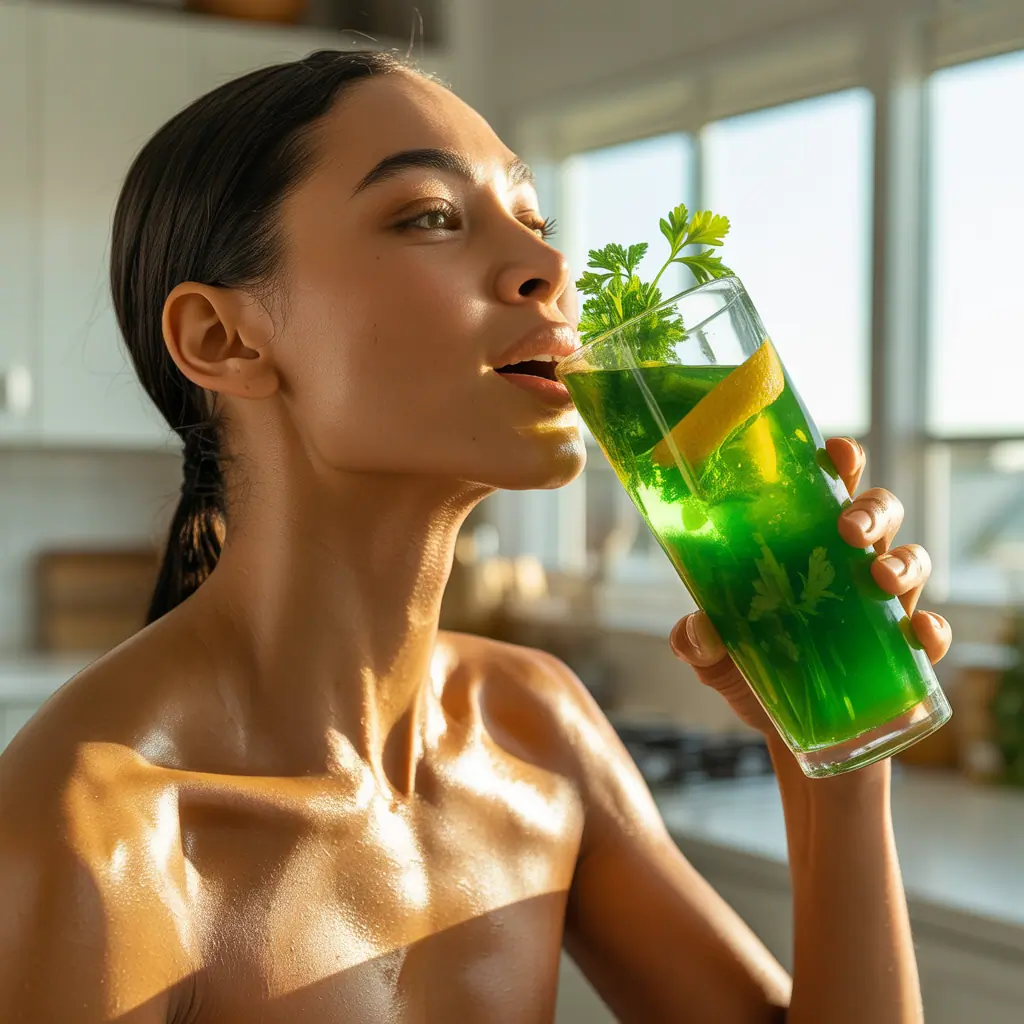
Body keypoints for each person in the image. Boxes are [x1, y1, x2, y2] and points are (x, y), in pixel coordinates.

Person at [0, 50, 950, 1023]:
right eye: (430, 217)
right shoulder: (88, 836)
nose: (551, 268)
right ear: (224, 340)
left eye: (534, 223)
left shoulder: (537, 728)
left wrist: (833, 745)